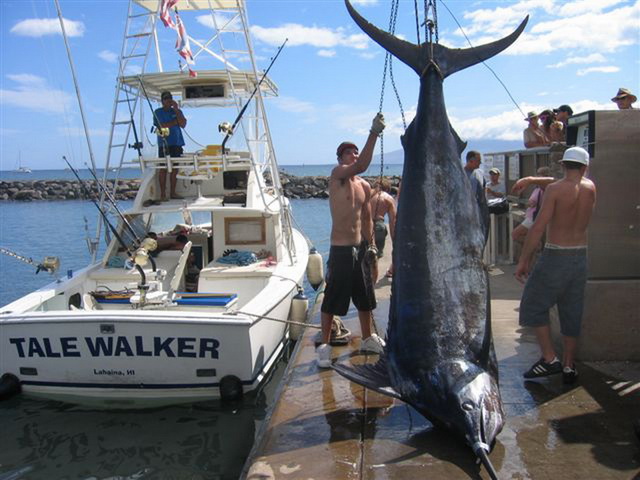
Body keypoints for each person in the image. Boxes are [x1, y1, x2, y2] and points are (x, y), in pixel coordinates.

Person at [515, 146, 596, 385]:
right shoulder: (591, 188)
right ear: (585, 167)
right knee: (572, 309)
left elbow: (539, 226)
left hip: (555, 255)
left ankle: (550, 359)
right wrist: (533, 178)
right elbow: (572, 181)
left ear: (563, 165)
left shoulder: (554, 190)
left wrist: (524, 259)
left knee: (533, 304)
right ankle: (569, 366)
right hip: (580, 256)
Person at [317, 113, 386, 368]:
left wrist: (373, 248)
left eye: (355, 152)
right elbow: (361, 166)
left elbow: (367, 218)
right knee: (332, 299)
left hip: (360, 248)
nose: (353, 155)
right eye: (349, 153)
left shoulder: (364, 187)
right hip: (341, 249)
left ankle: (368, 338)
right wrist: (374, 133)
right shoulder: (338, 176)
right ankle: (324, 347)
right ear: (340, 159)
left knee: (366, 296)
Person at [154, 91, 187, 201]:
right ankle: (163, 194)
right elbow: (161, 126)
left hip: (177, 143)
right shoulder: (158, 112)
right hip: (164, 144)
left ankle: (173, 192)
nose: (168, 100)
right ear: (162, 101)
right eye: (166, 98)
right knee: (163, 169)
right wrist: (174, 122)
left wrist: (177, 110)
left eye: (170, 98)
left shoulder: (177, 111)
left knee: (175, 169)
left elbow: (183, 124)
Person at [511, 166, 551, 243]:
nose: (537, 176)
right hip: (530, 215)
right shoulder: (537, 188)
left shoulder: (546, 187)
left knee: (515, 234)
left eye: (540, 174)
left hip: (534, 218)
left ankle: (536, 245)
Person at [370, 178, 396, 283]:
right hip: (379, 226)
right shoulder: (388, 199)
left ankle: (365, 278)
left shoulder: (369, 195)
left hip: (365, 225)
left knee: (365, 253)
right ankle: (373, 281)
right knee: (375, 255)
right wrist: (394, 240)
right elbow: (392, 221)